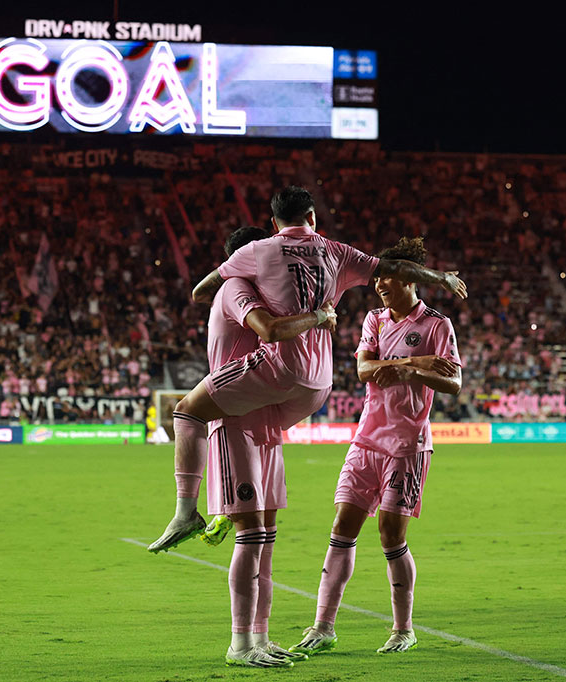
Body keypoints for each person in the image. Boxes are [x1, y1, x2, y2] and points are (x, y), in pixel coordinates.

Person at [148, 186, 467, 553]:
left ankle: (190, 510)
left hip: (277, 368)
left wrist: (241, 280)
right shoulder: (337, 251)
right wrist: (440, 278)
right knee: (259, 436)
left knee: (189, 412)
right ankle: (238, 504)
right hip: (318, 383)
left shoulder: (256, 252)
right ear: (313, 217)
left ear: (273, 224)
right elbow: (393, 267)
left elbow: (201, 292)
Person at [155, 225, 335, 667]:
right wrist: (320, 316)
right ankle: (240, 643)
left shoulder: (259, 291)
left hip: (264, 424)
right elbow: (267, 330)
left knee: (266, 539)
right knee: (251, 537)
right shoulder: (236, 288)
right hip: (234, 422)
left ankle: (260, 636)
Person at [289, 237, 462, 657]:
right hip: (366, 440)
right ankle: (322, 627)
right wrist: (409, 364)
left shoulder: (437, 325)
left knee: (390, 536)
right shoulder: (376, 320)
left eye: (388, 276)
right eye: (378, 275)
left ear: (410, 278)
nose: (380, 283)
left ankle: (403, 629)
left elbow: (453, 383)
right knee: (341, 530)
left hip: (407, 445)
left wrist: (414, 370)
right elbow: (365, 369)